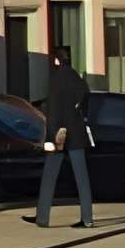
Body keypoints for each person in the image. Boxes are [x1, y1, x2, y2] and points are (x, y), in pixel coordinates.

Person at [34, 57, 97, 228]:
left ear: (57, 62)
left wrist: (50, 137)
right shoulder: (78, 79)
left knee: (49, 176)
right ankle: (87, 218)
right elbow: (85, 101)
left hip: (59, 136)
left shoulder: (56, 80)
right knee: (82, 177)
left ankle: (42, 217)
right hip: (76, 133)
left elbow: (54, 111)